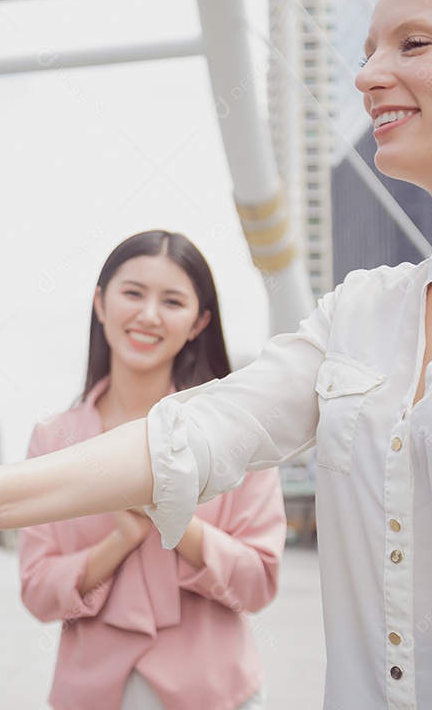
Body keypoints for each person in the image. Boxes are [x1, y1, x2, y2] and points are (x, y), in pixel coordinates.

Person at [0, 0, 432, 705]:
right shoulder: (360, 314)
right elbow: (194, 434)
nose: (367, 76)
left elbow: (250, 569)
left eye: (414, 44)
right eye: (366, 52)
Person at [18, 231, 285, 710]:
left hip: (218, 693)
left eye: (173, 301)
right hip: (91, 694)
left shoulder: (236, 432)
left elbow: (258, 582)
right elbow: (37, 593)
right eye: (133, 293)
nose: (148, 315)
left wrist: (172, 517)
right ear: (100, 303)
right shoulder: (54, 440)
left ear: (199, 322)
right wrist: (120, 539)